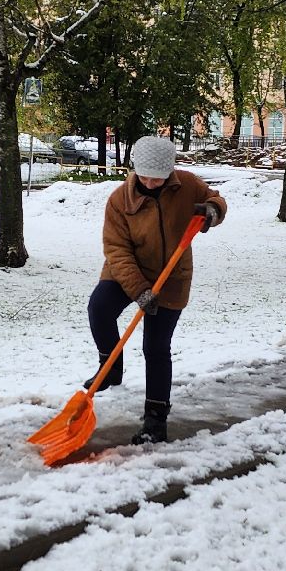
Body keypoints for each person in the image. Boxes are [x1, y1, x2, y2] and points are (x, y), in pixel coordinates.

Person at [89, 135, 226, 444]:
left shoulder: (187, 185)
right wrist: (139, 290)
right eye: (145, 176)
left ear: (170, 171)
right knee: (99, 308)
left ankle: (155, 420)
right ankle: (110, 366)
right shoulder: (119, 201)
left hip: (172, 276)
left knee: (156, 347)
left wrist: (211, 212)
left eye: (159, 177)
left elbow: (217, 200)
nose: (151, 183)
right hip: (128, 270)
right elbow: (116, 250)